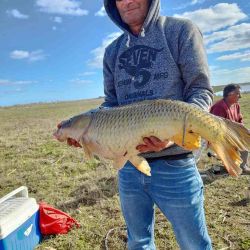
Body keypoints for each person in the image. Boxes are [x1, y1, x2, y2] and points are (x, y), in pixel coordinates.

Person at [62, 0, 213, 249]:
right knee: (138, 241)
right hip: (129, 167)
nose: (128, 1)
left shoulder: (180, 31)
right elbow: (111, 103)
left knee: (194, 243)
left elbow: (200, 90)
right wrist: (86, 132)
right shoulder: (112, 51)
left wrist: (174, 135)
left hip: (176, 164)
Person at [210, 84, 250, 174]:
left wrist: (243, 132)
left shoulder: (236, 105)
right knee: (243, 140)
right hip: (220, 137)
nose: (240, 96)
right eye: (238, 94)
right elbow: (216, 129)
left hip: (233, 133)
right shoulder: (219, 107)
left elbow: (240, 121)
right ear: (230, 94)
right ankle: (237, 165)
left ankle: (242, 165)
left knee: (247, 135)